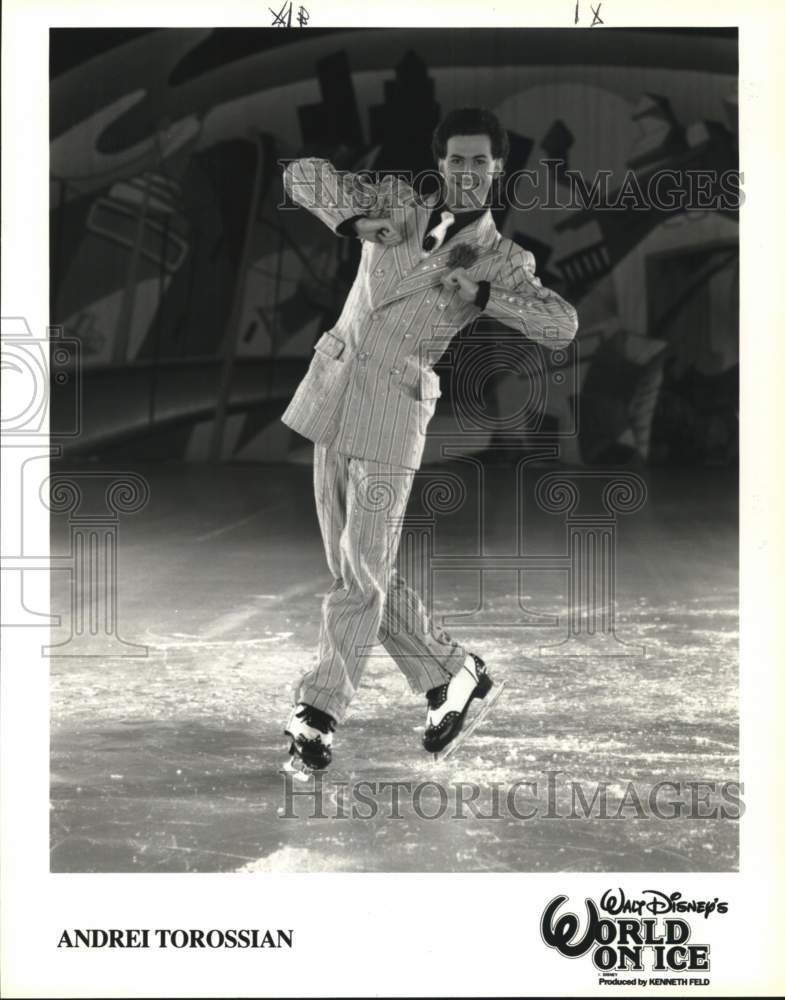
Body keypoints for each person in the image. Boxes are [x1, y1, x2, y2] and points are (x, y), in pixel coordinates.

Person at [279, 107, 578, 771]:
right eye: (456, 160)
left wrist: (480, 297)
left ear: (496, 169)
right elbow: (301, 175)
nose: (467, 171)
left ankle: (319, 712)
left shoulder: (501, 258)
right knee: (357, 570)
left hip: (393, 412)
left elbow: (560, 326)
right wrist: (351, 221)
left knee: (360, 575)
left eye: (480, 162)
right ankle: (451, 673)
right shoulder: (394, 206)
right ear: (438, 164)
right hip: (332, 395)